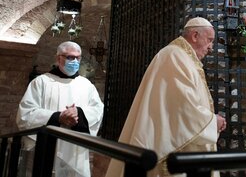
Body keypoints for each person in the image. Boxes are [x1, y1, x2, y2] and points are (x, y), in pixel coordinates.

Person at [106, 17, 227, 177]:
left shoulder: (182, 57)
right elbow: (182, 108)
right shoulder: (175, 56)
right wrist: (212, 122)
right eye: (209, 40)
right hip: (173, 152)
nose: (211, 47)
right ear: (195, 35)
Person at [16, 41, 104, 177]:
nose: (74, 61)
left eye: (78, 57)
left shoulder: (86, 85)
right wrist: (58, 117)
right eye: (69, 57)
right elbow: (26, 113)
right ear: (58, 58)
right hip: (46, 147)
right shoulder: (41, 82)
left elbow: (98, 110)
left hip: (76, 150)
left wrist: (79, 113)